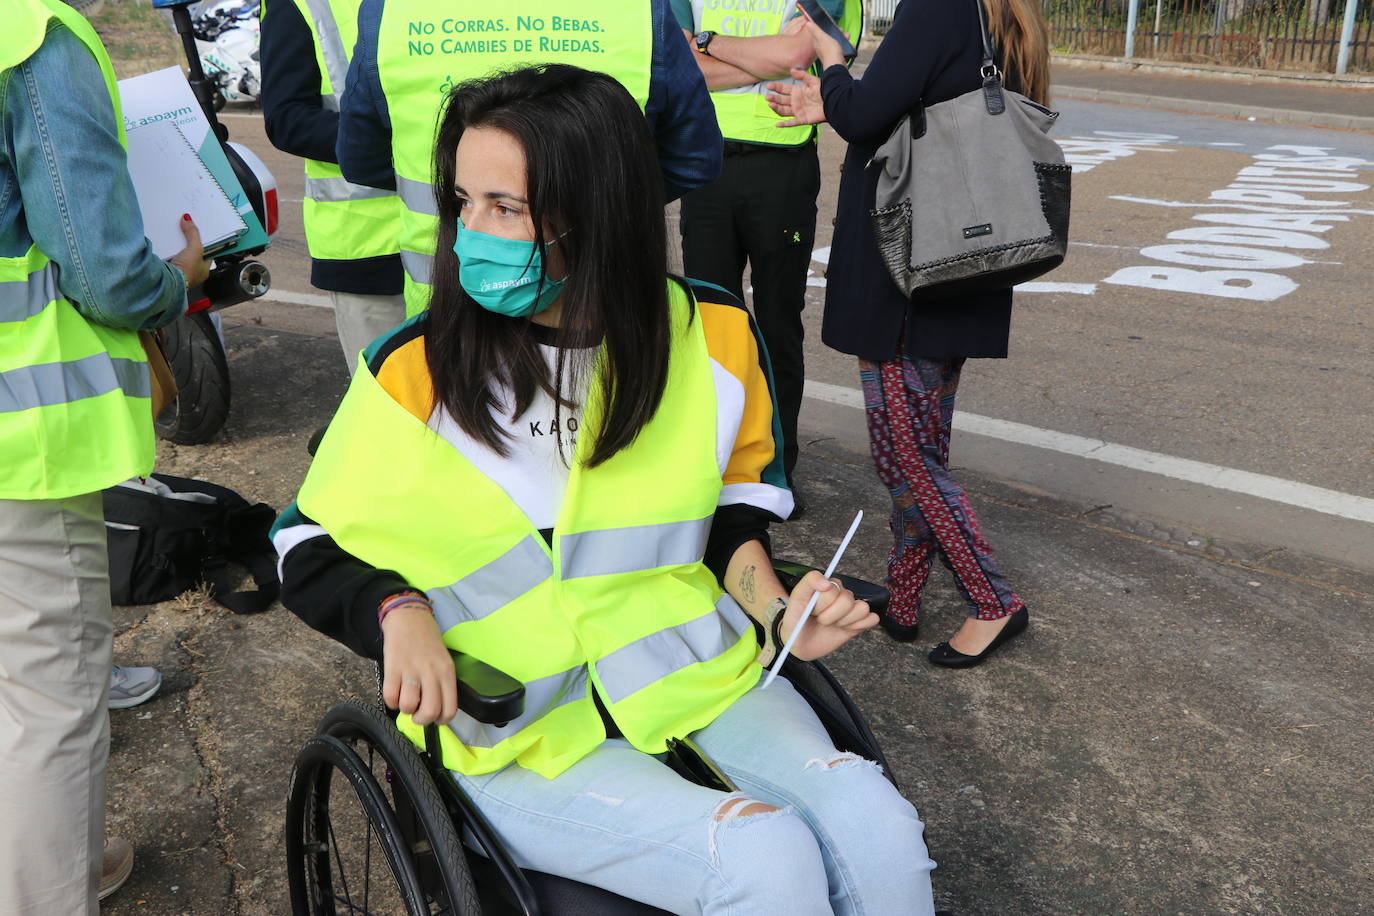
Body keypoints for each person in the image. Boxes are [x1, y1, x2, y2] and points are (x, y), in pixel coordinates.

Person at [275, 66, 937, 914]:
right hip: (513, 727)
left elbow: (729, 516)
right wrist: (395, 611)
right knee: (763, 858)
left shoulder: (712, 338)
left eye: (504, 208)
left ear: (597, 214)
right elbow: (304, 541)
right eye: (463, 201)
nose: (469, 231)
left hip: (693, 679)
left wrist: (779, 611)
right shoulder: (417, 372)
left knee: (878, 826)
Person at [0, 0, 209, 909]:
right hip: (23, 439)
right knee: (49, 696)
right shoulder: (29, 35)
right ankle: (49, 889)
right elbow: (107, 271)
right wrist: (180, 280)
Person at [767, 0, 1048, 666]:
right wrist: (838, 102)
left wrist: (833, 65)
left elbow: (868, 114)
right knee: (921, 447)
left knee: (907, 457)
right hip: (962, 259)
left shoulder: (937, 7)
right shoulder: (1004, 16)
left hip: (909, 271)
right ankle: (906, 592)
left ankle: (993, 602)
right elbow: (922, 113)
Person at [337, 0, 724, 318]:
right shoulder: (638, 10)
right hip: (597, 299)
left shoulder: (390, 12)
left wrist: (468, 193)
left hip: (446, 299)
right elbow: (695, 157)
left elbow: (361, 159)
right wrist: (588, 211)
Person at [673, 0, 860, 516]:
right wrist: (761, 59)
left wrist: (708, 44)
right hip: (706, 166)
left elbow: (800, 52)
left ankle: (777, 471)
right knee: (708, 331)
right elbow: (678, 63)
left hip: (782, 164)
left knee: (778, 327)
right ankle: (715, 471)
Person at [260, 0, 405, 374]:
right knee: (390, 411)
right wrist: (392, 141)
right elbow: (287, 118)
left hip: (468, 237)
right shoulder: (303, 5)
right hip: (369, 248)